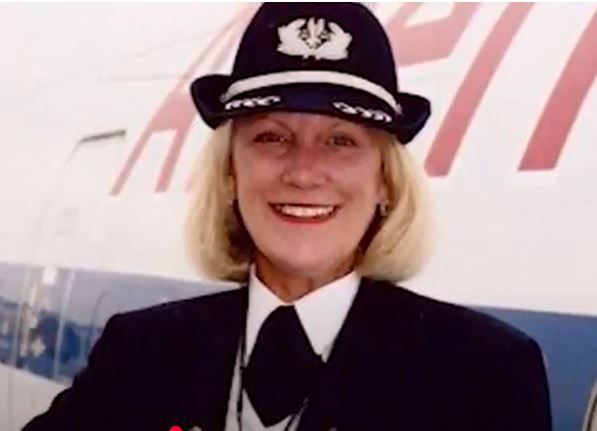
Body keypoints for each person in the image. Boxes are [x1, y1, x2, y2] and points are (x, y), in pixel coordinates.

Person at [23, 3, 551, 431]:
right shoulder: (141, 352)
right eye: (271, 137)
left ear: (385, 183)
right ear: (230, 174)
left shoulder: (484, 373)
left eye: (341, 141)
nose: (303, 171)